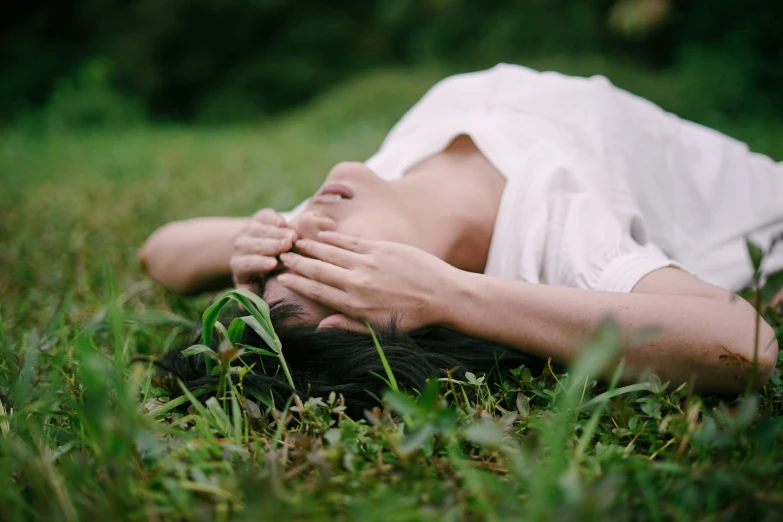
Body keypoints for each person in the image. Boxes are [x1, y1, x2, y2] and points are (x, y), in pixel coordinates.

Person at [140, 63, 783, 397]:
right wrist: (451, 297)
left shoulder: (357, 200)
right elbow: (748, 347)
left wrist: (241, 248)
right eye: (322, 264)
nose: (298, 227)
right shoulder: (551, 229)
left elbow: (159, 253)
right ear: (393, 291)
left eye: (279, 259)